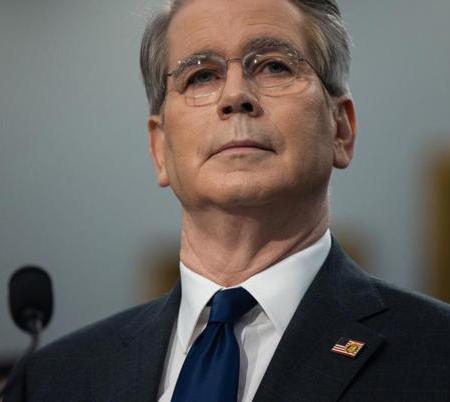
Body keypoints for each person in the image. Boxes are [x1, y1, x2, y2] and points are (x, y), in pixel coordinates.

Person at [5, 0, 450, 401]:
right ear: (160, 149)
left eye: (274, 66)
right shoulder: (52, 381)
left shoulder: (437, 354)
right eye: (201, 75)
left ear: (341, 129)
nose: (235, 96)